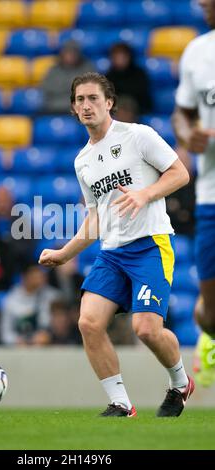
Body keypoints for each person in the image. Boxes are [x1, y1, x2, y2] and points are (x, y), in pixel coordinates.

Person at [39, 72, 193, 418]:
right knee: (88, 323)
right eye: (79, 100)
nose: (86, 105)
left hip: (150, 244)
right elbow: (96, 218)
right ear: (73, 110)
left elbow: (180, 173)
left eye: (93, 98)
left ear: (109, 103)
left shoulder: (138, 135)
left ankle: (180, 383)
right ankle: (121, 403)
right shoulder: (83, 161)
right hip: (112, 253)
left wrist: (145, 193)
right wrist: (65, 253)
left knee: (146, 329)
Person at [172, 0, 215, 387]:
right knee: (212, 316)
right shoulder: (197, 51)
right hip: (210, 196)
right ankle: (209, 334)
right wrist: (188, 135)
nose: (202, 2)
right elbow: (181, 113)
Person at [0, 264, 61, 346]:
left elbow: (60, 321)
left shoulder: (52, 296)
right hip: (19, 347)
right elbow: (5, 333)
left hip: (48, 344)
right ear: (25, 278)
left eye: (41, 276)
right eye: (35, 276)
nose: (39, 279)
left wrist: (48, 334)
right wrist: (18, 341)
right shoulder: (11, 300)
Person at [40, 39, 94, 115]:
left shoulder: (87, 69)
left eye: (73, 52)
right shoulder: (54, 70)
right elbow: (46, 89)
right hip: (54, 106)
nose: (71, 55)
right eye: (68, 52)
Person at [106, 43, 152, 115]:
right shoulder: (108, 76)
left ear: (129, 57)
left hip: (138, 109)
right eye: (116, 57)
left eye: (123, 57)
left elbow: (142, 95)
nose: (120, 60)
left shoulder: (139, 74)